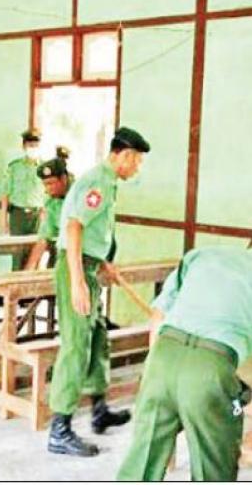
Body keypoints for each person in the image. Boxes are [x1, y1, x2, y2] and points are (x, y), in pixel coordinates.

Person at [117, 219, 252, 481]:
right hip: (209, 371)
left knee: (142, 462)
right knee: (214, 469)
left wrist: (155, 367)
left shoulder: (202, 255)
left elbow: (158, 315)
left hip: (161, 359)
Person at [47, 127, 151, 456]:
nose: (137, 168)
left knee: (97, 337)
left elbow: (92, 230)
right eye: (137, 161)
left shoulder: (108, 182)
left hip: (90, 266)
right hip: (75, 267)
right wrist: (78, 281)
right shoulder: (98, 182)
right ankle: (59, 430)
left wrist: (102, 262)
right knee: (76, 345)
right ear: (124, 155)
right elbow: (74, 226)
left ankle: (99, 410)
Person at [0, 128, 45, 269]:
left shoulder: (45, 168)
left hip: (37, 216)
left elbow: (48, 196)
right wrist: (3, 220)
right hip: (18, 215)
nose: (33, 149)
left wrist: (46, 218)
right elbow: (5, 194)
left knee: (35, 257)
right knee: (17, 256)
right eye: (30, 145)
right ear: (24, 146)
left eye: (36, 145)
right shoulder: (14, 167)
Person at [24, 157, 72, 270]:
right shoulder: (51, 202)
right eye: (45, 184)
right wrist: (29, 268)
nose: (47, 189)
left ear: (63, 179)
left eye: (51, 183)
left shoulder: (80, 194)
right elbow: (44, 237)